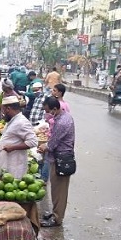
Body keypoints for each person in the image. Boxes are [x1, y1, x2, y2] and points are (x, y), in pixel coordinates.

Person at [38, 97, 75, 228]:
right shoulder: (62, 117)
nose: (46, 114)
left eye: (48, 111)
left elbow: (52, 144)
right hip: (58, 157)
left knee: (59, 191)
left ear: (55, 109)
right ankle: (55, 212)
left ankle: (57, 218)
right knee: (55, 189)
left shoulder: (62, 122)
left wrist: (43, 147)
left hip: (61, 159)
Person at [0, 96, 38, 179]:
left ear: (8, 109)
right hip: (6, 163)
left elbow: (33, 141)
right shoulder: (12, 120)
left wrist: (13, 147)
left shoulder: (22, 122)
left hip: (14, 167)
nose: (2, 113)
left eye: (3, 110)